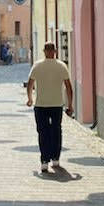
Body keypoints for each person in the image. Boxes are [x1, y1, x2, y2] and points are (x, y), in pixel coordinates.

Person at [26, 42, 73, 172]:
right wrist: (70, 105)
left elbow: (30, 84)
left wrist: (30, 99)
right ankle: (56, 158)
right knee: (56, 131)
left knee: (43, 132)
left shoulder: (37, 65)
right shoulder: (62, 66)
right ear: (55, 51)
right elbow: (69, 87)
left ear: (44, 51)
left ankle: (44, 161)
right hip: (57, 104)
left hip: (41, 105)